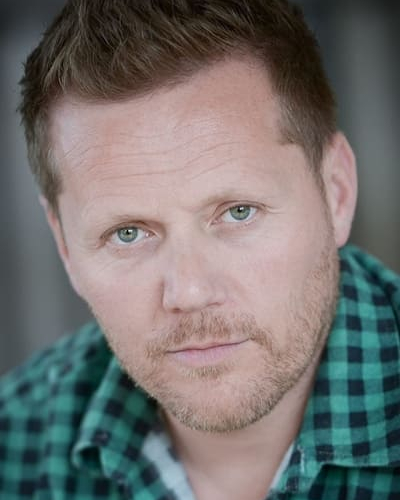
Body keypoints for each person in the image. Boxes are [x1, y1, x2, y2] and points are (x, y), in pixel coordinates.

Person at [0, 0, 399, 498]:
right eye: (128, 233)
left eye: (238, 212)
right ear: (64, 245)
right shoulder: (15, 447)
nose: (189, 292)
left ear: (336, 191)